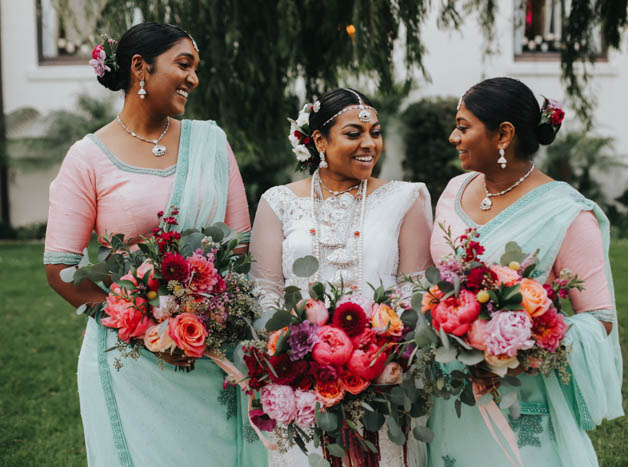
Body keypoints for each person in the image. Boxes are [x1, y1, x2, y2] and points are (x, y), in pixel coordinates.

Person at [44, 23, 266, 466]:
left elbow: (240, 248)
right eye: (183, 65)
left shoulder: (212, 143)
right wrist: (139, 324)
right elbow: (62, 267)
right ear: (140, 68)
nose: (194, 79)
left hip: (211, 352)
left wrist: (204, 316)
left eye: (196, 68)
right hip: (128, 359)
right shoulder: (88, 157)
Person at [427, 77, 623, 467]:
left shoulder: (566, 212)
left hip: (518, 391)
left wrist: (517, 345)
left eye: (464, 127)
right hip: (449, 391)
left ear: (504, 134)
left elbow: (599, 318)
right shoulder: (453, 191)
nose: (453, 137)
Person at [250, 88, 433, 466]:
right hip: (301, 381)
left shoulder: (406, 198)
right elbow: (265, 290)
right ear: (319, 140)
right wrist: (294, 354)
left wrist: (376, 354)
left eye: (375, 133)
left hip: (382, 378)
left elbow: (415, 289)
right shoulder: (278, 201)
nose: (369, 144)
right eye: (354, 134)